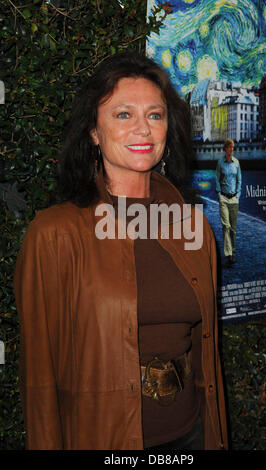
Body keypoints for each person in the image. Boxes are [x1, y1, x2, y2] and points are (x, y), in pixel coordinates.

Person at [14, 53, 228, 450]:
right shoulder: (54, 234)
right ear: (94, 131)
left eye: (156, 115)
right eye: (123, 115)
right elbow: (40, 381)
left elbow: (205, 350)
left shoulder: (193, 226)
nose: (143, 129)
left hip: (191, 432)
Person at [215, 138, 242, 266]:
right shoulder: (220, 163)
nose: (231, 150)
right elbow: (217, 179)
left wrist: (238, 195)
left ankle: (233, 253)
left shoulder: (236, 163)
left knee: (233, 229)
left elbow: (239, 181)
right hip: (224, 199)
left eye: (232, 148)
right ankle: (229, 254)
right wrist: (219, 194)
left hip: (234, 199)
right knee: (226, 226)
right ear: (225, 149)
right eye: (229, 147)